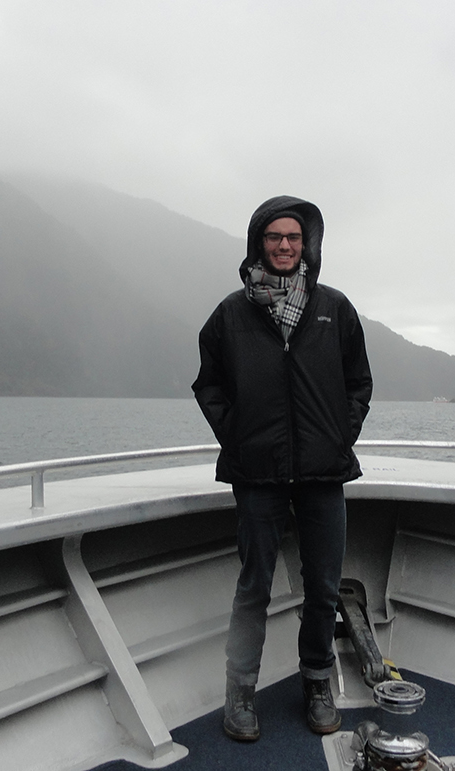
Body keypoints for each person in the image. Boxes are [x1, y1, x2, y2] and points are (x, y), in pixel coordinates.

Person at [192, 195, 372, 742]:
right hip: (257, 472)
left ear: (307, 243)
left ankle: (317, 683)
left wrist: (339, 436)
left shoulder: (333, 308)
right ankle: (240, 692)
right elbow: (210, 385)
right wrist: (238, 436)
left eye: (294, 237)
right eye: (275, 237)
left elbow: (359, 384)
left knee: (321, 587)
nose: (285, 246)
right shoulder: (231, 313)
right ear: (259, 244)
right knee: (254, 587)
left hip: (322, 474)